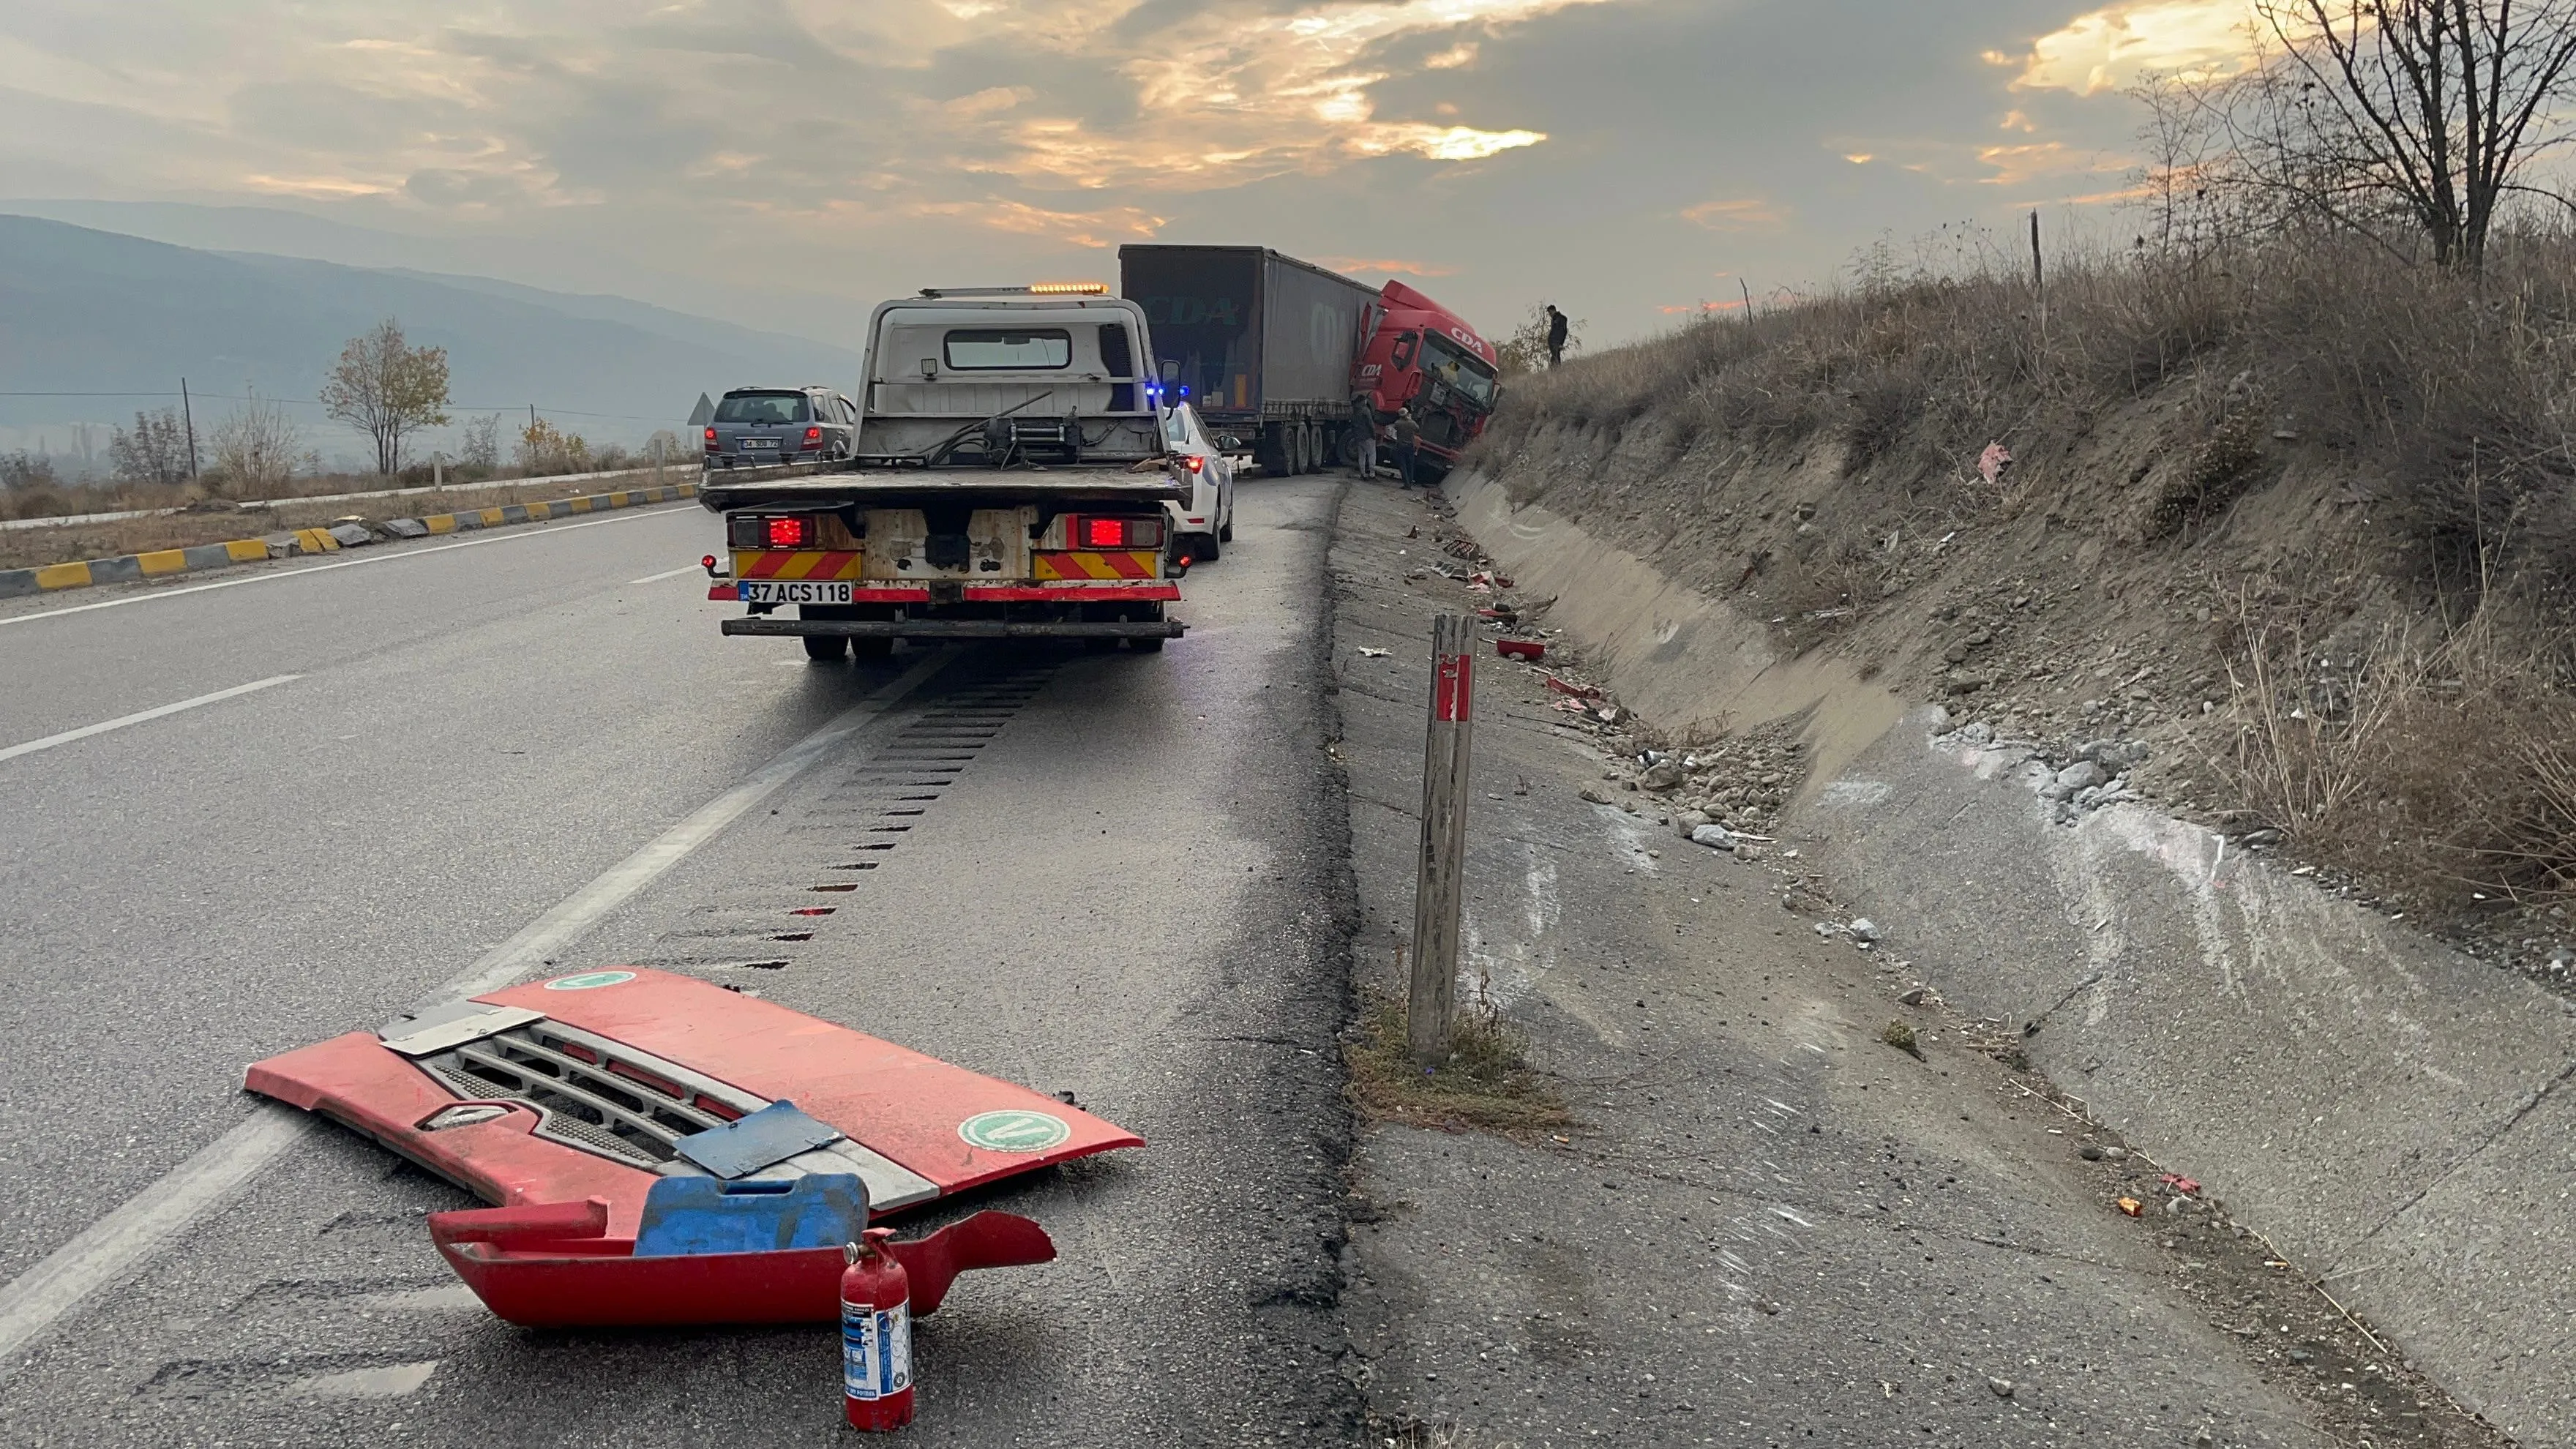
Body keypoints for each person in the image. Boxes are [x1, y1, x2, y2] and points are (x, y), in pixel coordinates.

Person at [1390, 406, 1420, 488]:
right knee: (1410, 465)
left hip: (1400, 446)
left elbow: (1394, 428)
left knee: (1402, 465)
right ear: (1407, 414)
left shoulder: (1398, 423)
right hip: (1410, 446)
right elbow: (1418, 429)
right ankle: (1410, 482)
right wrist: (1410, 419)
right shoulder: (1412, 423)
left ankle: (1406, 484)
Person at [1351, 396, 1379, 479]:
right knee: (1372, 454)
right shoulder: (1365, 410)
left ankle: (1363, 473)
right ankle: (1372, 473)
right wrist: (1374, 435)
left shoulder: (1355, 411)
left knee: (1362, 456)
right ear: (1363, 401)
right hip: (1367, 436)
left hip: (1358, 437)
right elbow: (1370, 424)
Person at [1544, 304, 1570, 368]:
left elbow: (1564, 331)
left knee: (1555, 359)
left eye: (1550, 313)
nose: (1550, 315)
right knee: (1555, 358)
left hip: (1557, 342)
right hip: (1553, 342)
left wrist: (1561, 343)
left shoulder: (1561, 319)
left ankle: (1557, 372)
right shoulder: (1554, 319)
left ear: (1553, 311)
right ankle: (1556, 372)